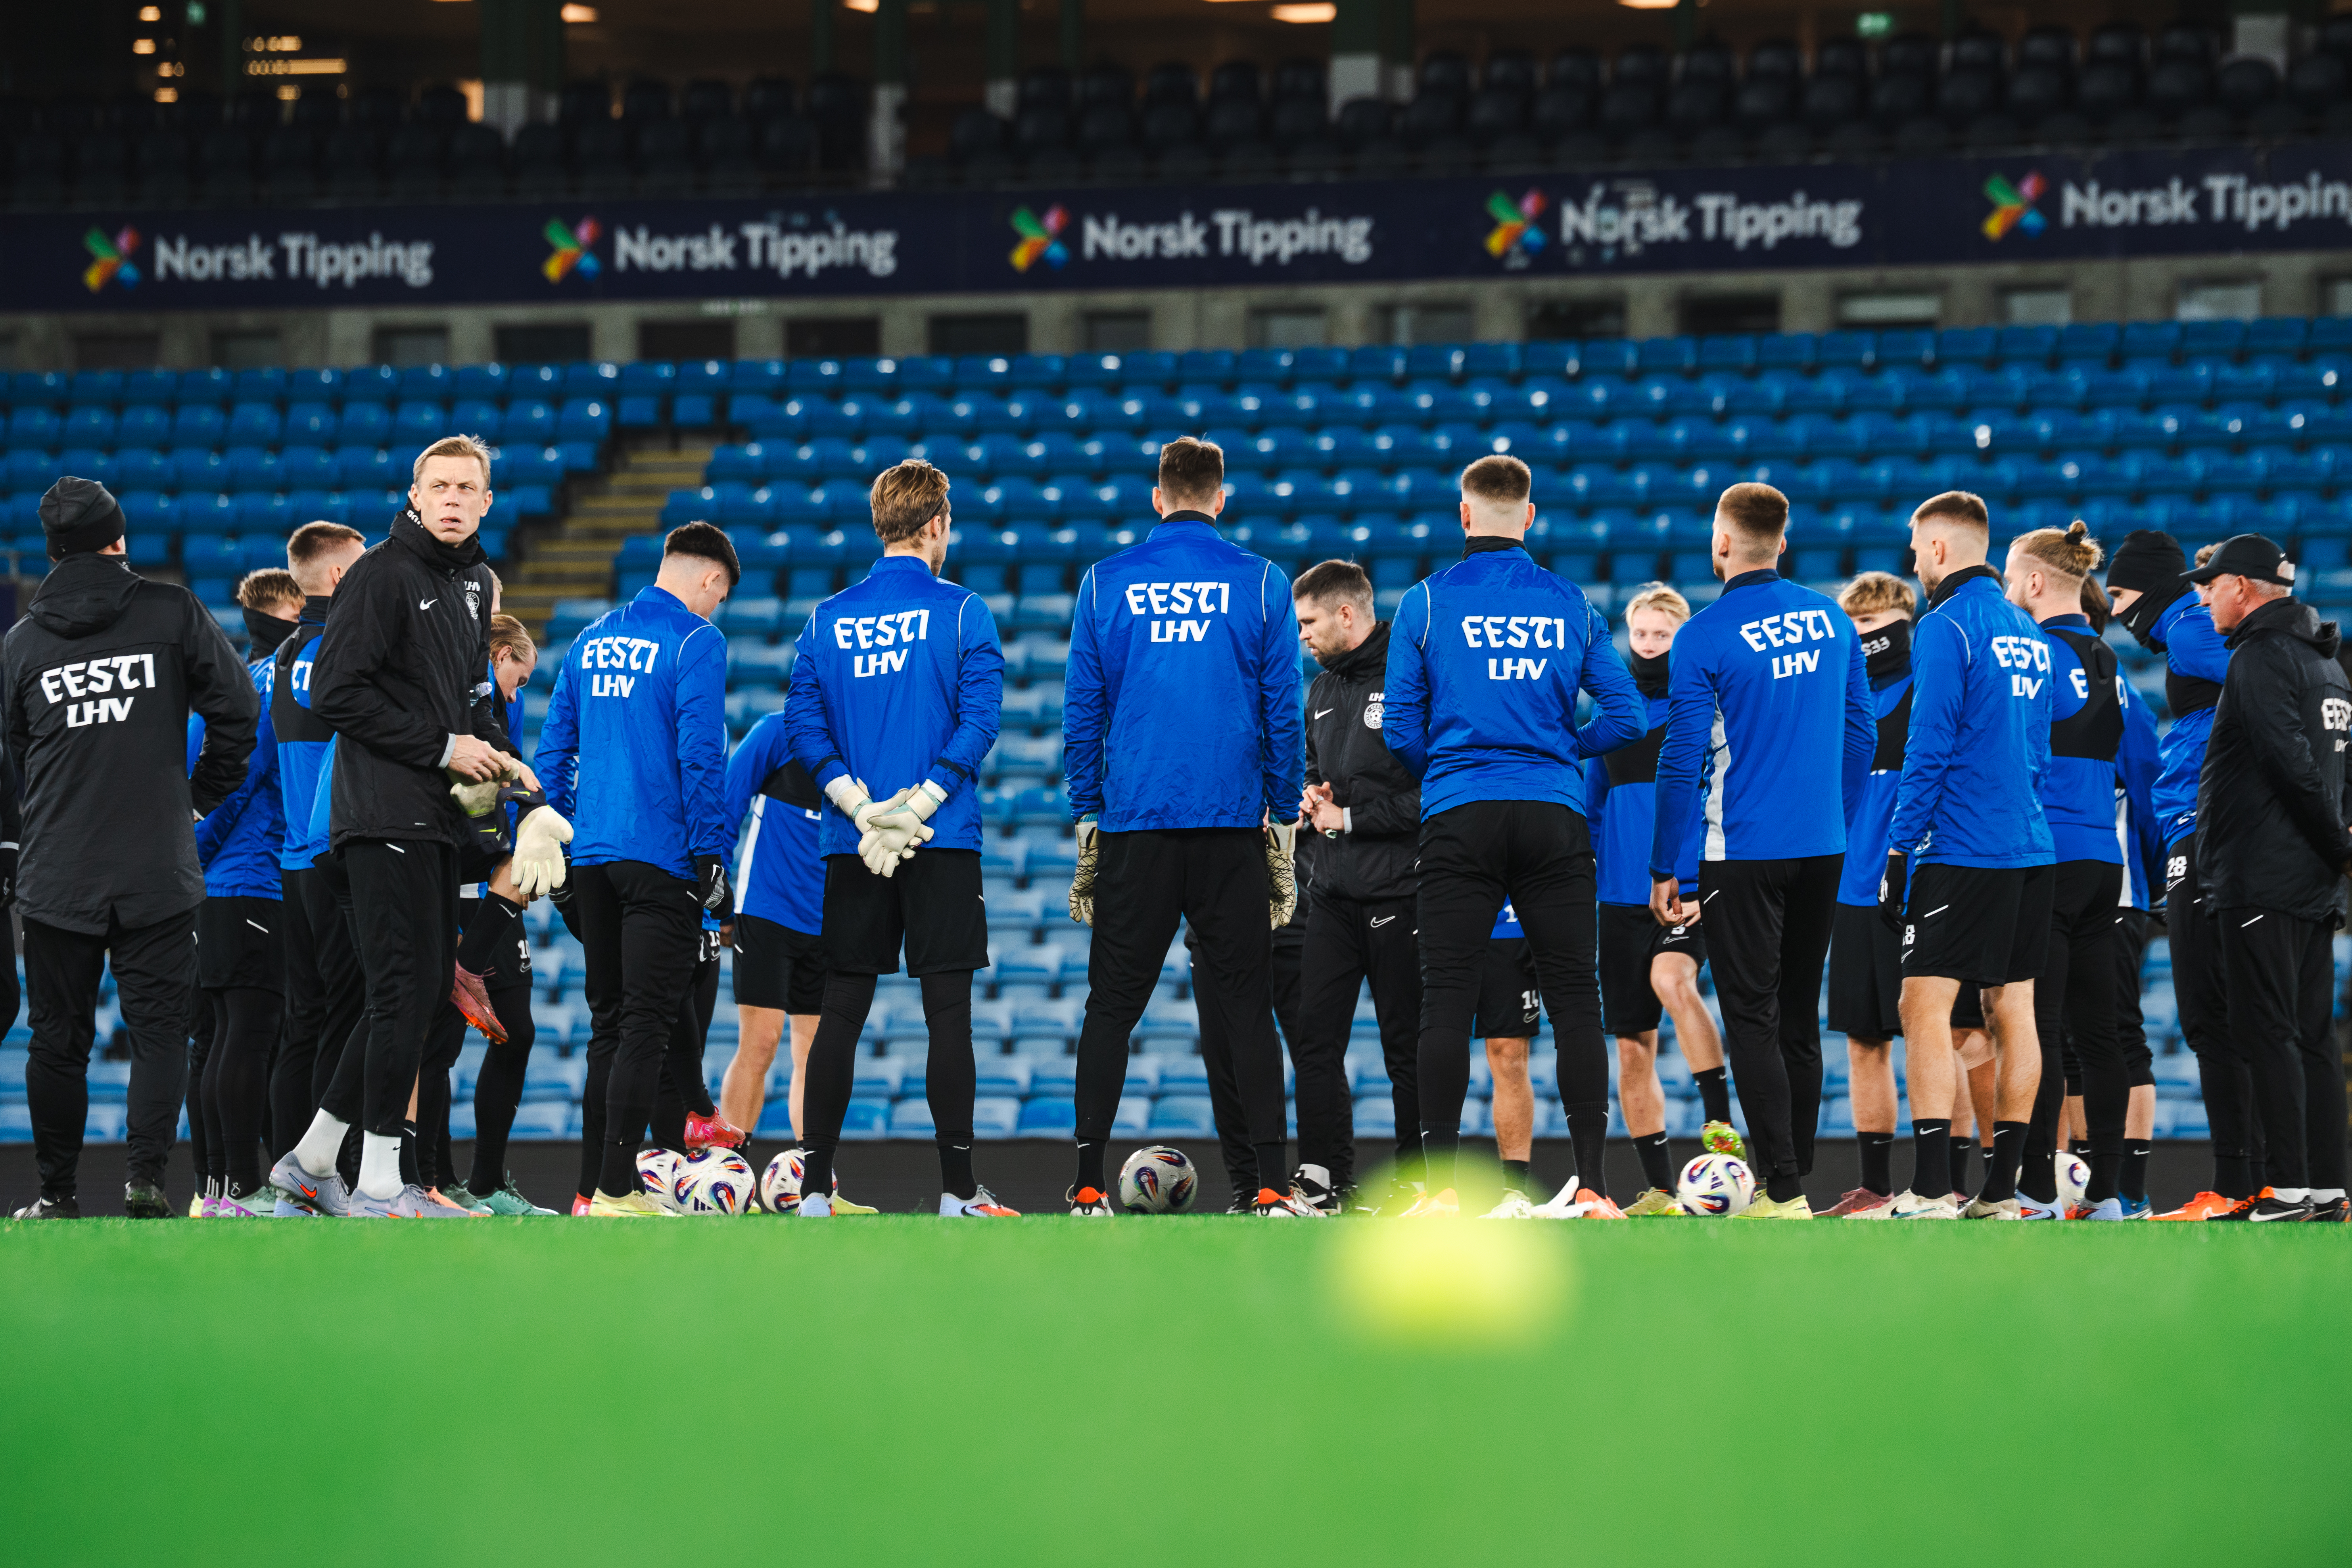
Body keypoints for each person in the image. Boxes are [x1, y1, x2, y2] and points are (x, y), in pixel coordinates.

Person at [273, 435, 552, 1220]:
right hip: (381, 812)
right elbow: (335, 690)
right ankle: (381, 1185)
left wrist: (505, 760)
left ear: (488, 501)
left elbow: (470, 703)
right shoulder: (380, 574)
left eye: (469, 486)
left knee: (421, 994)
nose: (456, 498)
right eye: (441, 486)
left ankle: (312, 1163)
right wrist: (444, 748)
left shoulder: (475, 585)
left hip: (434, 821)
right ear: (416, 496)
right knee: (402, 993)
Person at [1384, 453, 1645, 1217]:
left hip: (1460, 812)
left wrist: (1455, 772)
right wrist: (1558, 754)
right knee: (1573, 998)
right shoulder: (1570, 603)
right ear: (1528, 517)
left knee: (1446, 1001)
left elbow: (1400, 725)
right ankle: (1594, 1185)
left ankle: (1436, 1192)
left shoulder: (1424, 603)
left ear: (1464, 516)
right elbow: (1626, 716)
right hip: (1553, 814)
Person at [1061, 437, 1305, 1218]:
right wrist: (1285, 814)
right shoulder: (1263, 584)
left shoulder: (1105, 584)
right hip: (1232, 824)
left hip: (1134, 823)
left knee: (1110, 1008)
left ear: (1158, 496)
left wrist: (1087, 811)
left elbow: (1081, 711)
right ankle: (1269, 1185)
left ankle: (1088, 1183)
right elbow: (1282, 712)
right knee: (1245, 1008)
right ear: (1220, 498)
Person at [4, 477, 257, 1219]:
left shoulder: (20, 644)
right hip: (156, 865)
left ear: (52, 552)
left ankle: (55, 1195)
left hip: (56, 872)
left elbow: (17, 755)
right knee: (159, 1034)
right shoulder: (170, 611)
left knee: (56, 1042)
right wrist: (196, 795)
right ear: (118, 541)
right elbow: (239, 710)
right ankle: (146, 1183)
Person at [786, 459, 1017, 1219]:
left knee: (841, 1007)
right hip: (940, 837)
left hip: (850, 842)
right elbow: (981, 720)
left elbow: (803, 727)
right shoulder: (962, 611)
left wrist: (859, 807)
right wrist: (917, 804)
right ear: (937, 525)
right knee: (947, 1011)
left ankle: (815, 1190)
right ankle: (957, 1192)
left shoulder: (825, 618)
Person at [1648, 482, 1874, 1219]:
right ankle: (1794, 1178)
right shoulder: (1833, 621)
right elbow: (1861, 736)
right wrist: (1832, 822)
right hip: (1821, 847)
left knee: (1751, 1017)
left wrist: (1667, 865)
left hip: (1738, 849)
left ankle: (1782, 1190)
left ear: (1720, 544)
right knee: (1798, 1015)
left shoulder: (1704, 634)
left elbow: (1681, 759)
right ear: (1782, 543)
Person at [536, 522, 739, 1217]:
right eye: (720, 597)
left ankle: (591, 1190)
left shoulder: (589, 639)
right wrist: (713, 858)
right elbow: (700, 756)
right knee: (647, 1024)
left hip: (592, 856)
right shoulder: (696, 640)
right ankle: (622, 1191)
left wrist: (559, 836)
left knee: (608, 1025)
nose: (716, 610)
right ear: (711, 579)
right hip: (662, 856)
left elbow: (554, 748)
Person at [1877, 490, 2055, 1221]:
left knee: (1922, 1003)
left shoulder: (1944, 625)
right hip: (2029, 843)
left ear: (1942, 549)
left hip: (1962, 846)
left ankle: (1926, 1188)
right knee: (2014, 1007)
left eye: (1917, 549)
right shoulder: (2026, 628)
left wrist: (1897, 845)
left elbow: (1929, 746)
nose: (1913, 562)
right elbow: (2038, 751)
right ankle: (2002, 1192)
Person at [2186, 534, 2352, 1222]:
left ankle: (2284, 1189)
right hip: (2312, 882)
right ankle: (2325, 1187)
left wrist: (2335, 841)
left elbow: (2289, 766)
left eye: (2209, 584)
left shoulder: (2258, 656)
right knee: (2313, 1036)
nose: (2202, 597)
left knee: (2268, 1031)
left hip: (2261, 873)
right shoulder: (2330, 665)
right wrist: (2336, 846)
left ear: (2244, 588)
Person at [2000, 524, 2156, 1220]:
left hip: (2046, 856)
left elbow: (2015, 759)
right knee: (2101, 1035)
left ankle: (2033, 1188)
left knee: (2037, 1023)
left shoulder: (2030, 656)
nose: (2007, 590)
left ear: (2035, 582)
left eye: (2010, 576)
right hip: (2106, 863)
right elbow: (2146, 770)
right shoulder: (2112, 664)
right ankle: (2106, 1195)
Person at [2104, 530, 2253, 1219]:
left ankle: (2234, 1183)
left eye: (2118, 594)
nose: (2114, 609)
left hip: (2209, 826)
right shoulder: (2186, 633)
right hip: (2204, 824)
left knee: (2209, 1011)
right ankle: (2252, 1181)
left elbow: (2266, 694)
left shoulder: (2193, 631)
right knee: (2219, 1014)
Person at [1585, 583, 1735, 1217]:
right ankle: (1658, 1186)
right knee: (1631, 1044)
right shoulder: (1610, 716)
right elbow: (1592, 807)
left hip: (1687, 888)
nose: (1648, 646)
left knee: (1673, 980)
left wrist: (1704, 878)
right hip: (1618, 895)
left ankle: (1721, 1129)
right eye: (1640, 635)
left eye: (1661, 636)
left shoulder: (1703, 708)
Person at [1291, 558, 1420, 1216]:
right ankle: (1320, 1178)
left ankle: (1416, 1180)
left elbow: (1437, 795)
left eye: (1309, 622)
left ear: (1347, 613)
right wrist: (1315, 801)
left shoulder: (1411, 674)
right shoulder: (1319, 690)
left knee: (1407, 1046)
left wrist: (1356, 816)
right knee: (1314, 1040)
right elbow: (1319, 777)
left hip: (1401, 894)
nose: (1302, 636)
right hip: (1331, 896)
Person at [185, 568, 303, 1215]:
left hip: (211, 890)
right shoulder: (265, 690)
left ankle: (212, 1185)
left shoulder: (215, 692)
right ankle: (240, 1185)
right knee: (249, 1036)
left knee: (212, 1039)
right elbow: (227, 789)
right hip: (253, 880)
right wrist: (195, 857)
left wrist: (189, 869)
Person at [267, 521, 368, 1212]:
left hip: (292, 860)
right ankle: (333, 1175)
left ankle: (288, 1182)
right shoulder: (350, 648)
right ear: (337, 579)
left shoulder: (283, 654)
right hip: (339, 852)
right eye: (361, 569)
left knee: (302, 1023)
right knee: (356, 1015)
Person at [1820, 571, 1917, 1216]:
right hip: (1851, 888)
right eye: (1857, 628)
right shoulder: (1838, 700)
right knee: (1863, 1042)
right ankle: (1877, 1187)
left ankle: (1952, 1180)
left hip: (1917, 880)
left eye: (1878, 625)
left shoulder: (1929, 688)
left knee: (1945, 1032)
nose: (1867, 638)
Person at [2080, 574, 2167, 1218]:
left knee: (2115, 1033)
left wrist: (2154, 878)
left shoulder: (2120, 696)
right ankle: (2081, 1178)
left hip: (2114, 888)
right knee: (2068, 1041)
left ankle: (2128, 1188)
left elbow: (2147, 791)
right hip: (2089, 883)